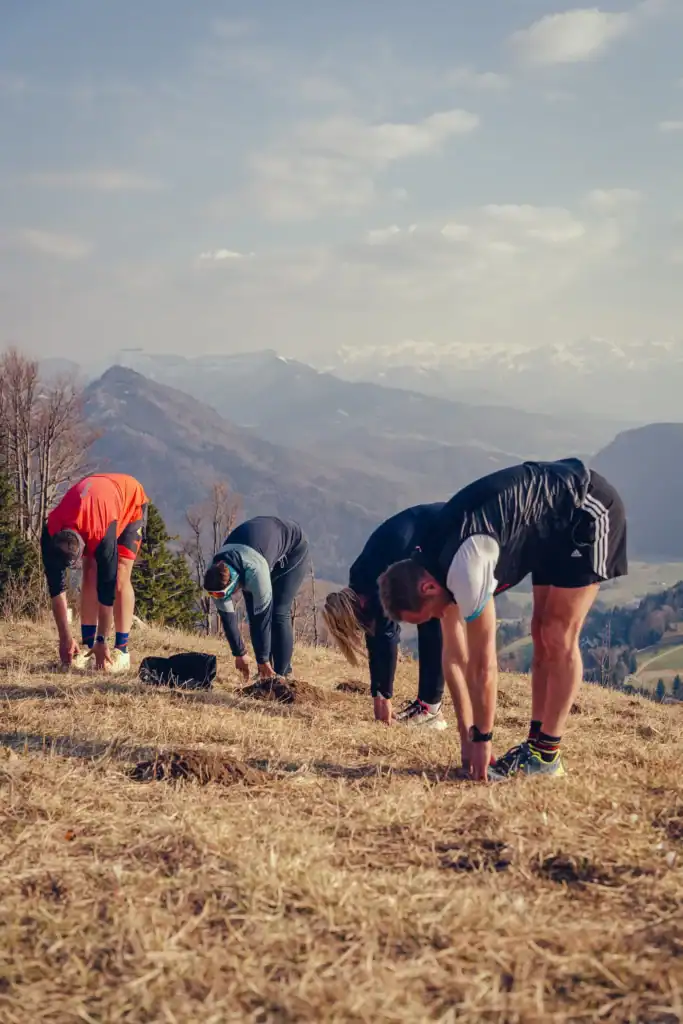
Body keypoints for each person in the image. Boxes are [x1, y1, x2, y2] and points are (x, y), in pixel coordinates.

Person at [377, 458, 627, 782]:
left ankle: (547, 756)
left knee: (558, 633)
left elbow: (483, 665)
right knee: (539, 631)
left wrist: (484, 738)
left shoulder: (465, 568)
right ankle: (535, 747)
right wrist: (466, 733)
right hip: (549, 527)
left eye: (430, 614)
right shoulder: (432, 567)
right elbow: (455, 653)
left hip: (585, 507)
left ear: (426, 587)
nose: (438, 617)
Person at [323, 504, 472, 742]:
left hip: (452, 533)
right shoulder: (360, 581)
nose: (360, 629)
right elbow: (376, 635)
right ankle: (427, 705)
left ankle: (431, 710)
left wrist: (383, 697)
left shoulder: (373, 582)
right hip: (432, 534)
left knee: (433, 617)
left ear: (357, 608)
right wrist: (379, 692)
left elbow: (386, 635)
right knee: (428, 615)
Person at [41, 473, 149, 672]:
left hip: (128, 500)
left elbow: (107, 594)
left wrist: (103, 639)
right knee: (90, 570)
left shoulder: (102, 535)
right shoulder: (51, 531)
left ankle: (121, 650)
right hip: (94, 504)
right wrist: (64, 637)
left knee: (119, 575)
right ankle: (88, 645)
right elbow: (56, 591)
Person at [203, 515, 309, 680]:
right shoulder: (215, 574)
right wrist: (239, 653)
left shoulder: (254, 573)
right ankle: (266, 674)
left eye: (223, 595)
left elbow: (263, 618)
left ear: (235, 584)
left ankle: (282, 675)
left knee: (278, 611)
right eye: (215, 595)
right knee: (253, 612)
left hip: (293, 546)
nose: (219, 598)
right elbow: (227, 617)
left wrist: (262, 660)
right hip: (255, 546)